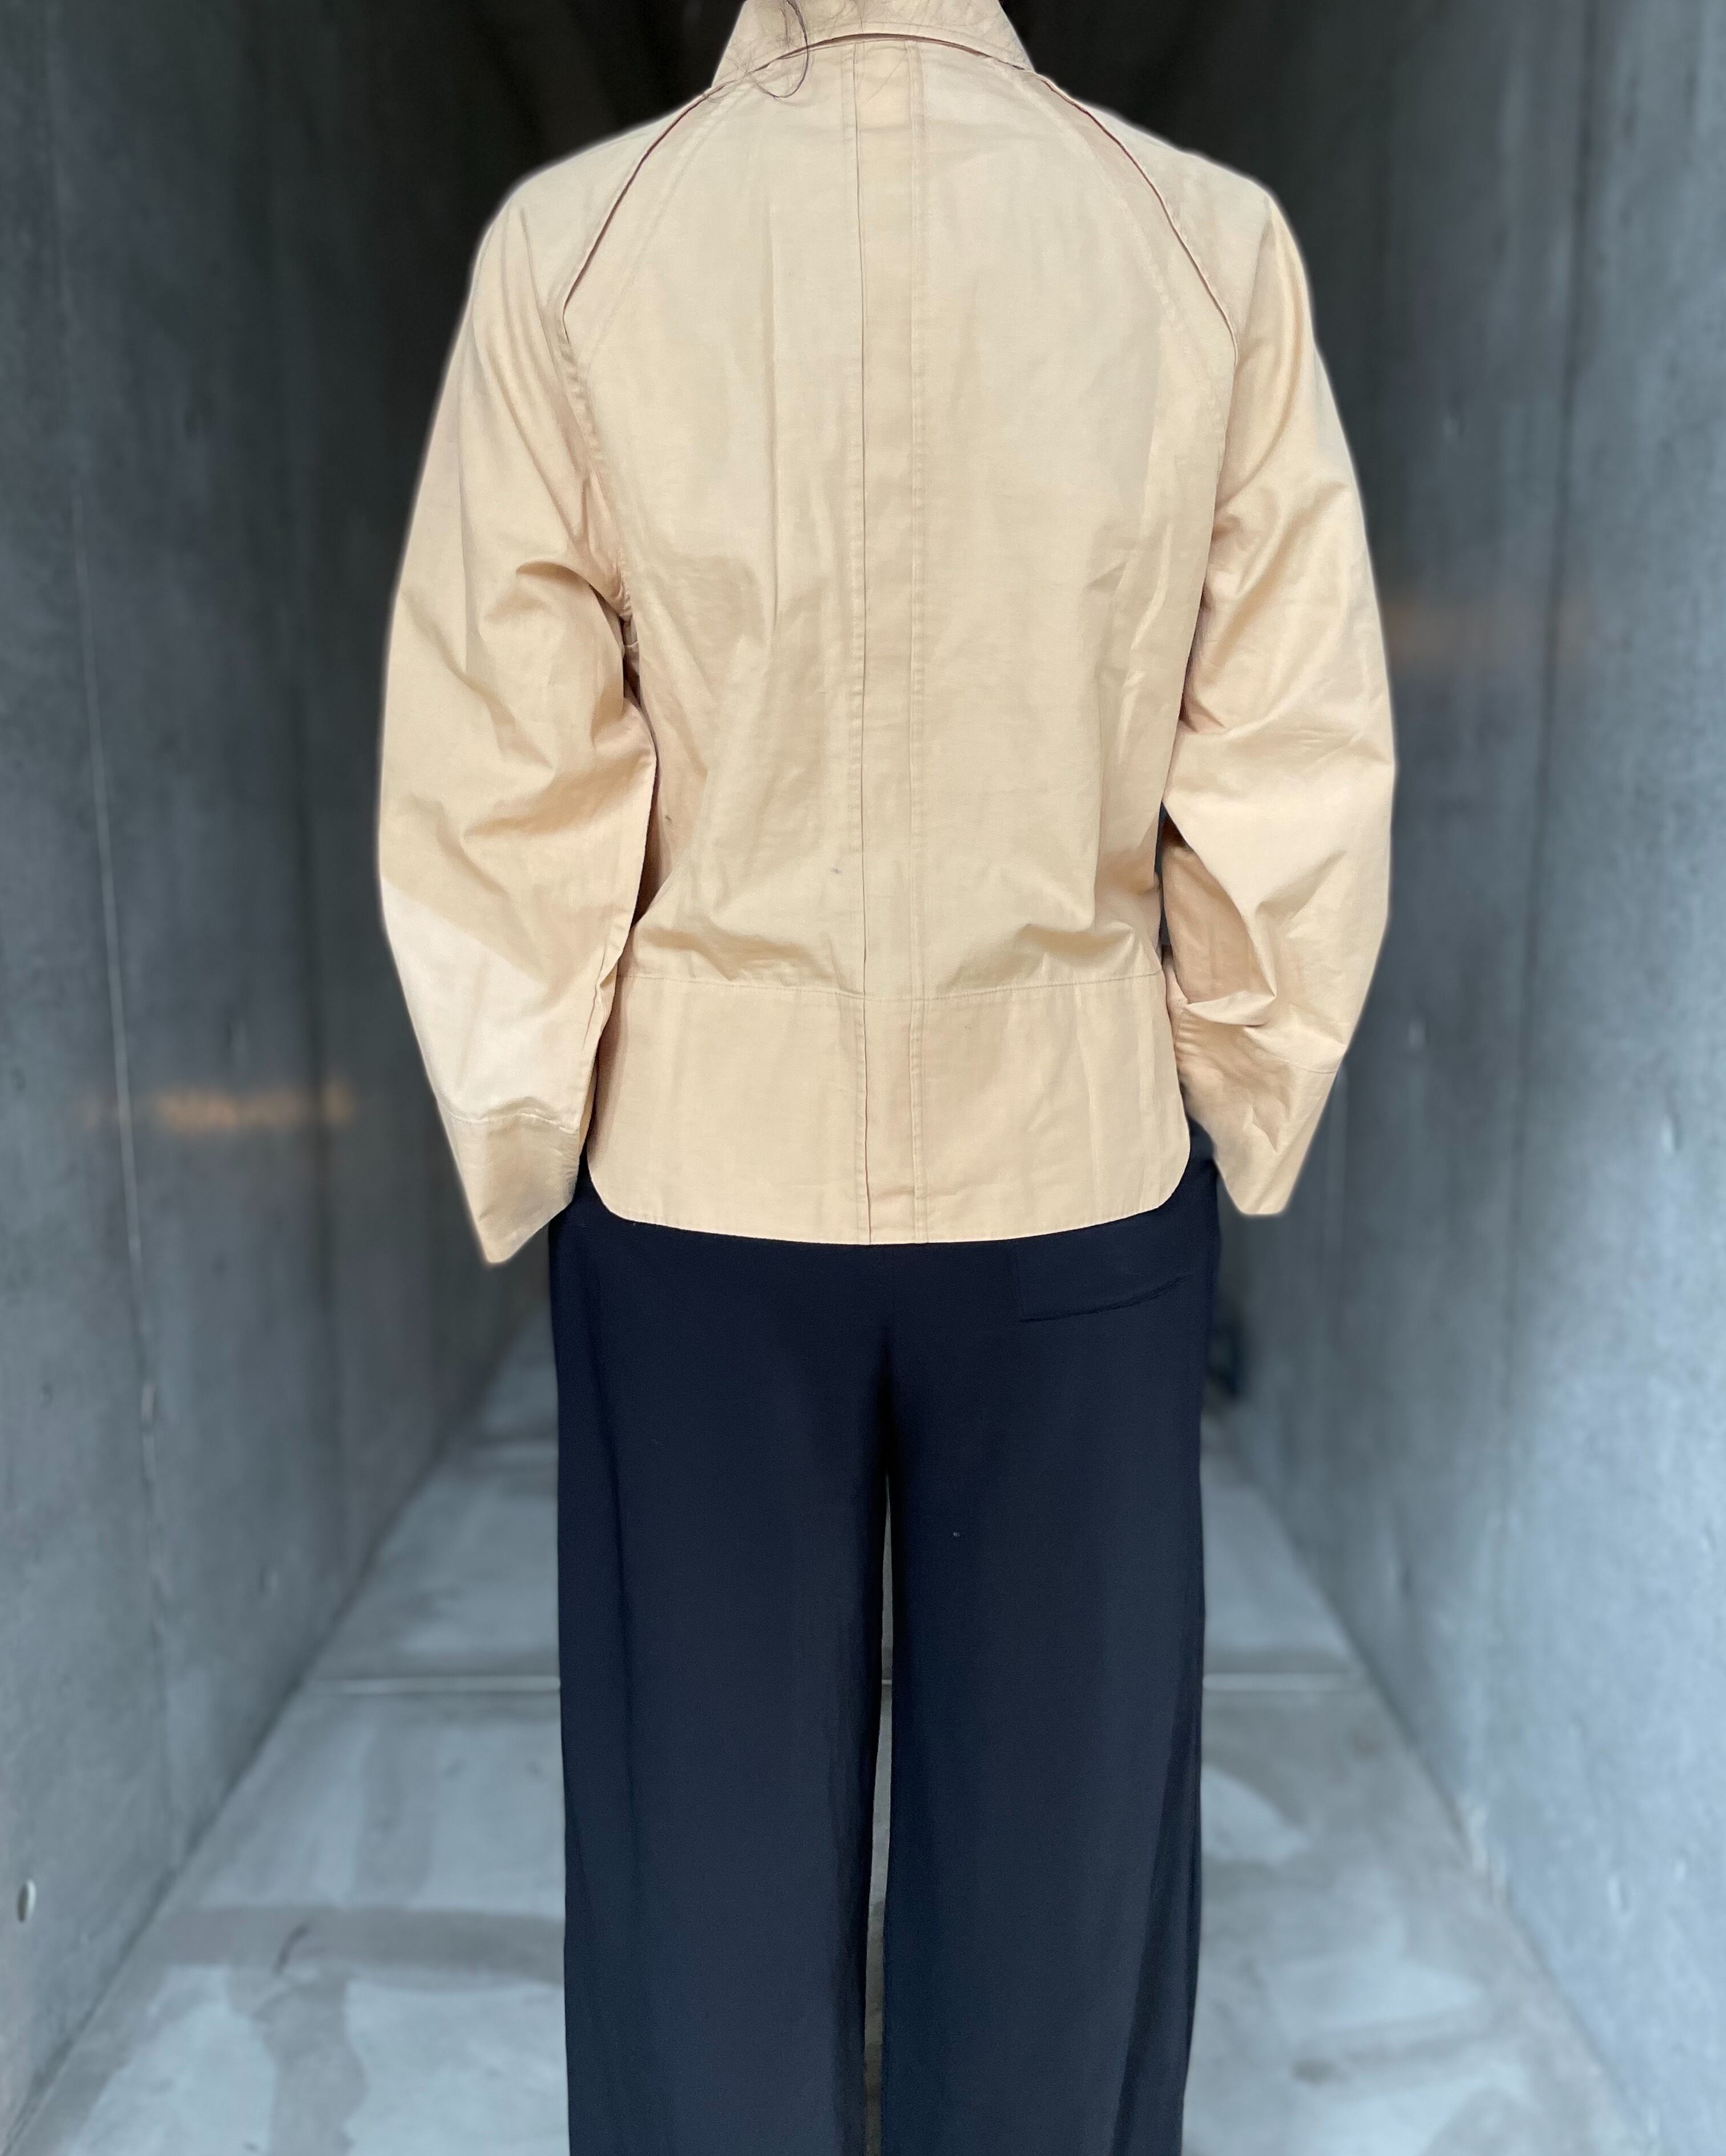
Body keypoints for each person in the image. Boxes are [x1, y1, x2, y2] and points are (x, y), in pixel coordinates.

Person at [377, 1, 1394, 2148]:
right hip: (1076, 1170)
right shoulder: (1203, 248)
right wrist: (1246, 1075)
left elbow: (503, 760)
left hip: (697, 1185)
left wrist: (529, 1111)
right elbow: (1287, 749)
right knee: (1059, 1904)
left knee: (700, 1894)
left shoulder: (582, 248)